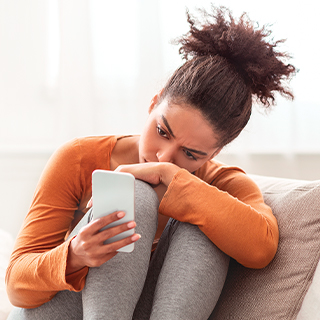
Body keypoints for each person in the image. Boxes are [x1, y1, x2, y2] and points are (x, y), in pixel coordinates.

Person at [6, 5, 296, 320]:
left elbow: (262, 249)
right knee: (134, 194)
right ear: (154, 103)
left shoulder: (223, 182)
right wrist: (73, 256)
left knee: (207, 215)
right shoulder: (79, 157)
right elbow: (15, 287)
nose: (163, 156)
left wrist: (169, 177)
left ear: (214, 153)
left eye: (190, 154)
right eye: (162, 131)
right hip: (56, 313)